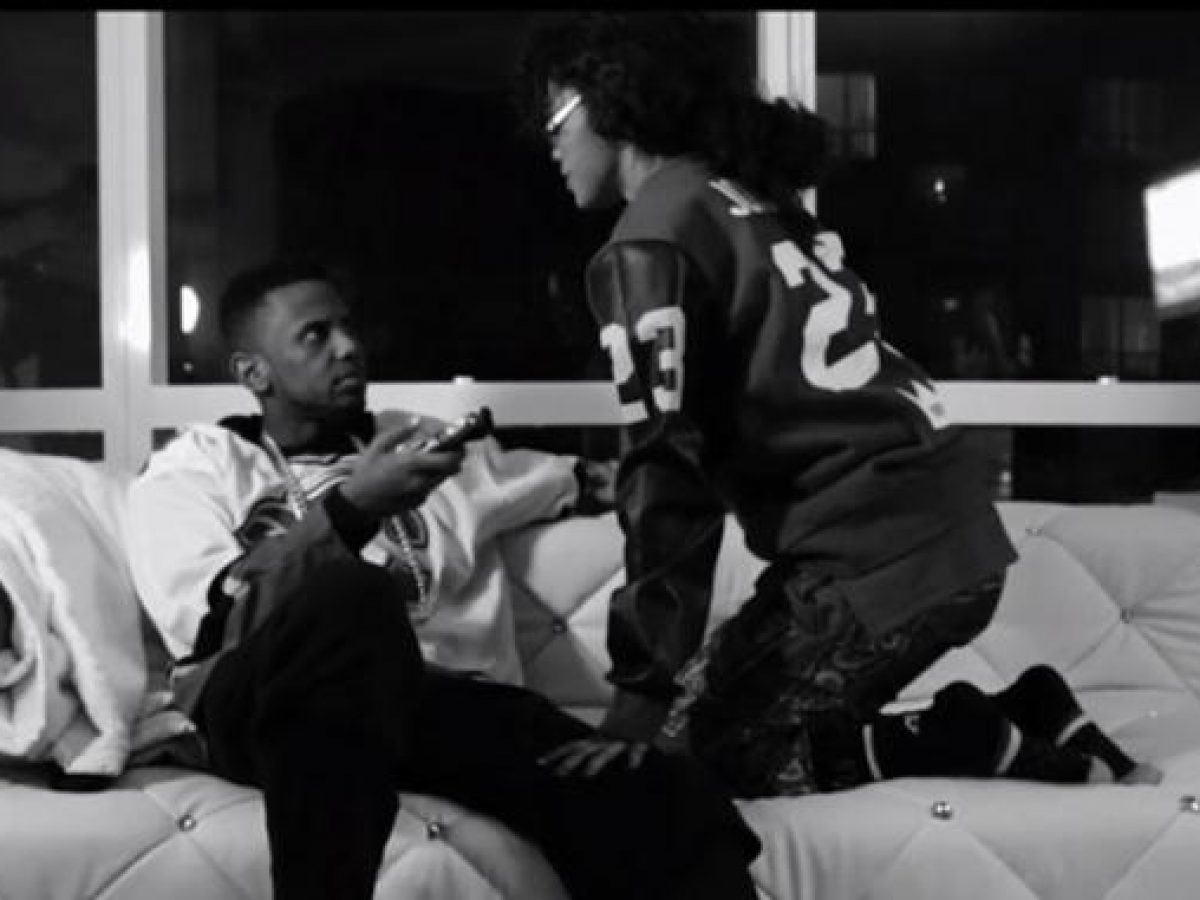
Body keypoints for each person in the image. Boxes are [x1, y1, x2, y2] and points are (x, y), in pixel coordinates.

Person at [518, 12, 1158, 797]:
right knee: (711, 726)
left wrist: (638, 697)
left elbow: (667, 474)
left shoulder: (649, 241)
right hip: (931, 533)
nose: (549, 144)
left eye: (554, 119)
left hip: (877, 556)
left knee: (707, 758)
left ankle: (968, 733)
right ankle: (1033, 710)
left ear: (607, 104)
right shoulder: (740, 199)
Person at [125, 259, 761, 900]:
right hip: (268, 702)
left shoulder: (425, 449)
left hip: (436, 709)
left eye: (348, 327)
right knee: (353, 595)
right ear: (252, 373)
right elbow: (214, 622)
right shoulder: (196, 467)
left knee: (659, 791)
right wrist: (351, 509)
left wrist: (747, 490)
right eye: (315, 335)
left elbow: (598, 483)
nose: (348, 347)